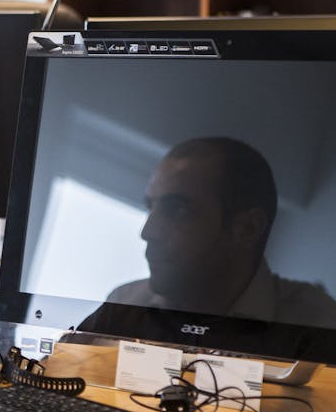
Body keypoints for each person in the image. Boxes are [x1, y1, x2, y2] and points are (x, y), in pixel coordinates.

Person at [100, 137, 336, 325]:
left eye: (178, 210)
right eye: (151, 207)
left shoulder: (320, 327)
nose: (148, 231)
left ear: (247, 228)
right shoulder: (123, 306)